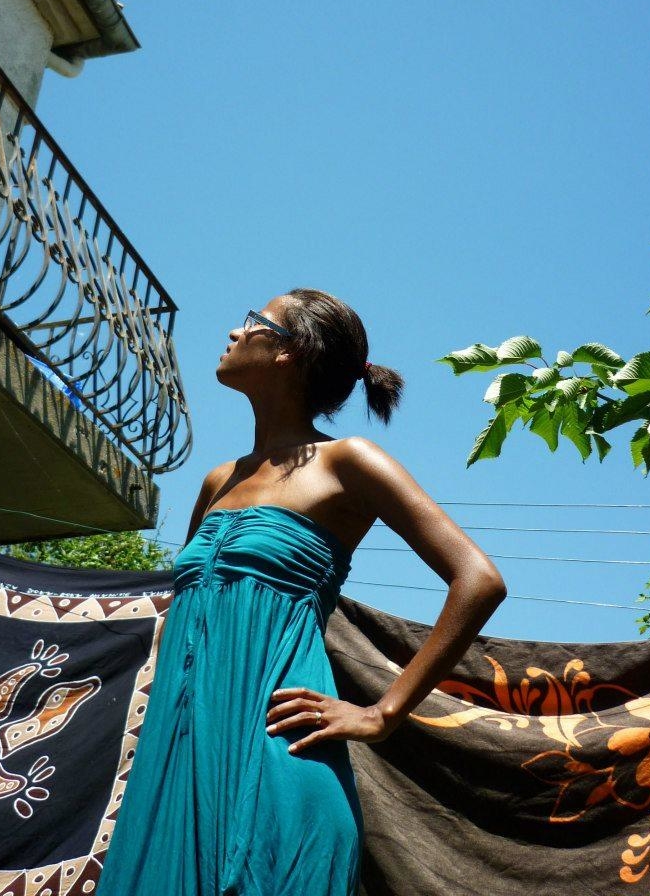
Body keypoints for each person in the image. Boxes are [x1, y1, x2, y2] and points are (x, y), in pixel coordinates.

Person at [96, 288, 507, 896]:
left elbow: (478, 580)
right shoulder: (218, 480)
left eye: (253, 322)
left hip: (276, 749)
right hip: (179, 756)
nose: (234, 332)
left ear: (291, 352)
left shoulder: (348, 461)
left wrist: (383, 713)